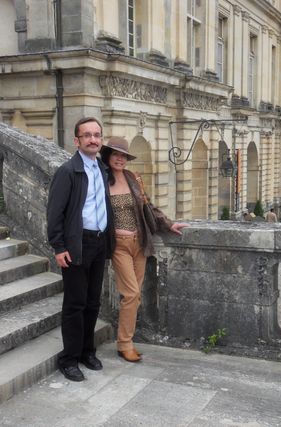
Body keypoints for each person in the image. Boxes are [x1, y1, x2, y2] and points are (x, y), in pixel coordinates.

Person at [100, 137, 189, 363]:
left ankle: (126, 339)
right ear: (108, 156)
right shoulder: (100, 179)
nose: (119, 159)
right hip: (118, 245)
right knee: (130, 294)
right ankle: (124, 344)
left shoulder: (133, 178)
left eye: (123, 156)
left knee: (135, 295)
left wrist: (168, 224)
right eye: (115, 154)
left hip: (140, 243)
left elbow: (148, 207)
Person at [47, 117, 115, 382]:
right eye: (87, 135)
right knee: (75, 304)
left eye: (97, 135)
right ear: (76, 140)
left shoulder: (101, 168)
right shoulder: (68, 171)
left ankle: (87, 351)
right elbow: (55, 212)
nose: (93, 139)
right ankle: (69, 358)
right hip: (77, 243)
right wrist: (59, 246)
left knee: (92, 302)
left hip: (99, 243)